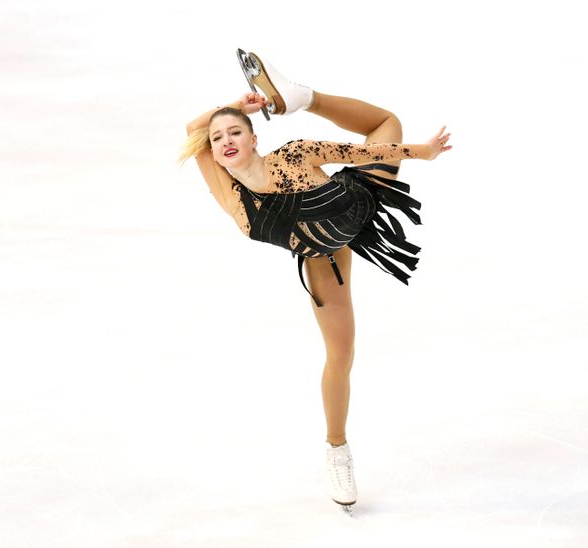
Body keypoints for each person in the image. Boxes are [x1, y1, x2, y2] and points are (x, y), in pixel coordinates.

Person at [179, 51, 451, 511]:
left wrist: (419, 153)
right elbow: (193, 130)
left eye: (236, 132)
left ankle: (304, 97)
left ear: (253, 138)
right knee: (341, 354)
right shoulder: (231, 194)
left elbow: (367, 150)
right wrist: (235, 107)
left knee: (388, 122)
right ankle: (337, 450)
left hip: (359, 200)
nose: (225, 140)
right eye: (220, 136)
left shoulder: (295, 155)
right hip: (326, 256)